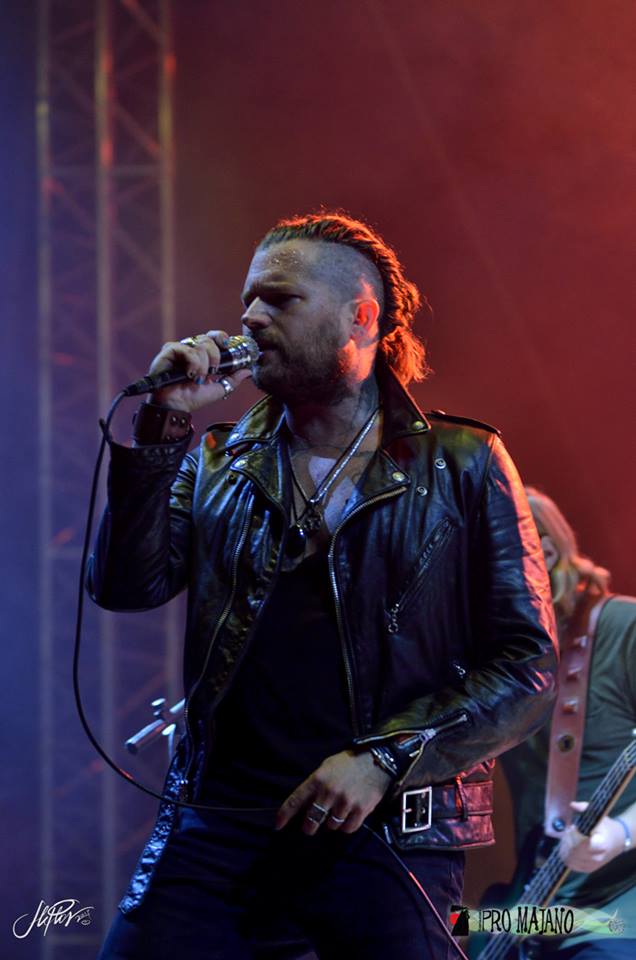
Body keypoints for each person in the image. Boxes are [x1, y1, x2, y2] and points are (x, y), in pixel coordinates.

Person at [88, 212, 557, 959]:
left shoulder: (463, 462)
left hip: (384, 829)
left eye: (279, 299)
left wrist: (384, 759)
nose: (250, 316)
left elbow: (528, 667)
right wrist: (162, 426)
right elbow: (124, 586)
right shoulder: (217, 460)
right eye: (248, 298)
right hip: (220, 823)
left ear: (361, 318)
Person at [499, 487, 636, 958]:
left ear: (547, 552)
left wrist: (621, 833)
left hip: (621, 904)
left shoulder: (625, 628)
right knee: (456, 927)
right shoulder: (502, 662)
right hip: (546, 902)